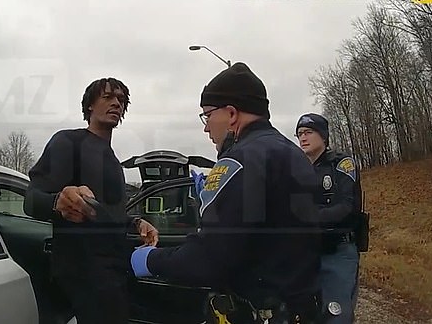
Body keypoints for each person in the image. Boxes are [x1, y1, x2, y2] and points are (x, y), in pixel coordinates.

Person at [130, 63, 324, 323]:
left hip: (260, 311)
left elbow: (207, 260)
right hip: (301, 308)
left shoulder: (238, 162)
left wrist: (151, 259)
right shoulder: (294, 155)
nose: (206, 128)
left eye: (207, 115)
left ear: (231, 114)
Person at [23, 77, 159, 324]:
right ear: (89, 106)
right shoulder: (68, 142)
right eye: (107, 97)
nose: (116, 103)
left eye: (121, 100)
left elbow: (109, 214)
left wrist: (136, 223)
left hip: (114, 271)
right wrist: (57, 202)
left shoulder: (114, 161)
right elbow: (31, 200)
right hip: (83, 272)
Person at [295, 113, 362, 323]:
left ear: (323, 136)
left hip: (338, 251)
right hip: (308, 252)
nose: (303, 138)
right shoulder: (298, 170)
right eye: (299, 134)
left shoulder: (341, 164)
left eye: (308, 132)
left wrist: (309, 217)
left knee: (336, 313)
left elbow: (348, 207)